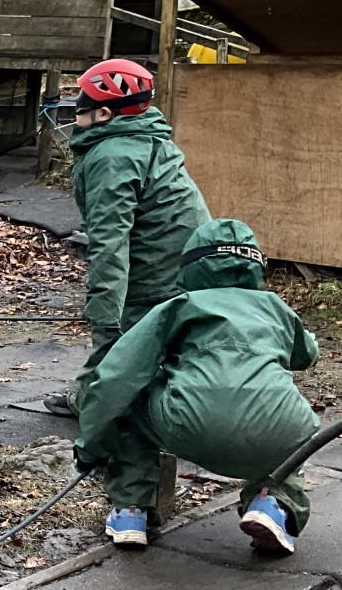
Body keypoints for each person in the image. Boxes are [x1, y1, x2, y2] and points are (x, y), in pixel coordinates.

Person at [75, 219, 319, 553]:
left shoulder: (181, 306)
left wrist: (90, 448)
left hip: (189, 424)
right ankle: (271, 504)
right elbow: (306, 355)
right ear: (255, 264)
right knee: (287, 424)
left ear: (191, 265)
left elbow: (117, 377)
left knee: (130, 402)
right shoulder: (276, 308)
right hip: (275, 429)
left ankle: (131, 510)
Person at [44, 58, 210, 418]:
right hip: (189, 257)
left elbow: (109, 241)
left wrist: (103, 313)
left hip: (159, 263)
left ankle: (97, 404)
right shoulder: (146, 134)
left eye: (80, 110)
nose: (74, 118)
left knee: (124, 331)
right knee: (164, 337)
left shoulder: (112, 156)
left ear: (103, 115)